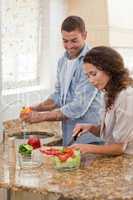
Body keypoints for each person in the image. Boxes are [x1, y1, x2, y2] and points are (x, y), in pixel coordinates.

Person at [20, 16, 103, 146]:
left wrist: (41, 117)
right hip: (69, 135)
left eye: (74, 40)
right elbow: (58, 96)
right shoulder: (62, 61)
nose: (69, 46)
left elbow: (78, 106)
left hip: (90, 138)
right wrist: (35, 108)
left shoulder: (92, 62)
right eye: (65, 41)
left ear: (85, 35)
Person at [72, 46, 133, 155]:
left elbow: (119, 148)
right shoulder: (107, 94)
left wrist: (85, 148)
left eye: (93, 74)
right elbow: (110, 134)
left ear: (109, 70)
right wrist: (91, 128)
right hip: (116, 161)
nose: (91, 80)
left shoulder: (126, 96)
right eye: (87, 76)